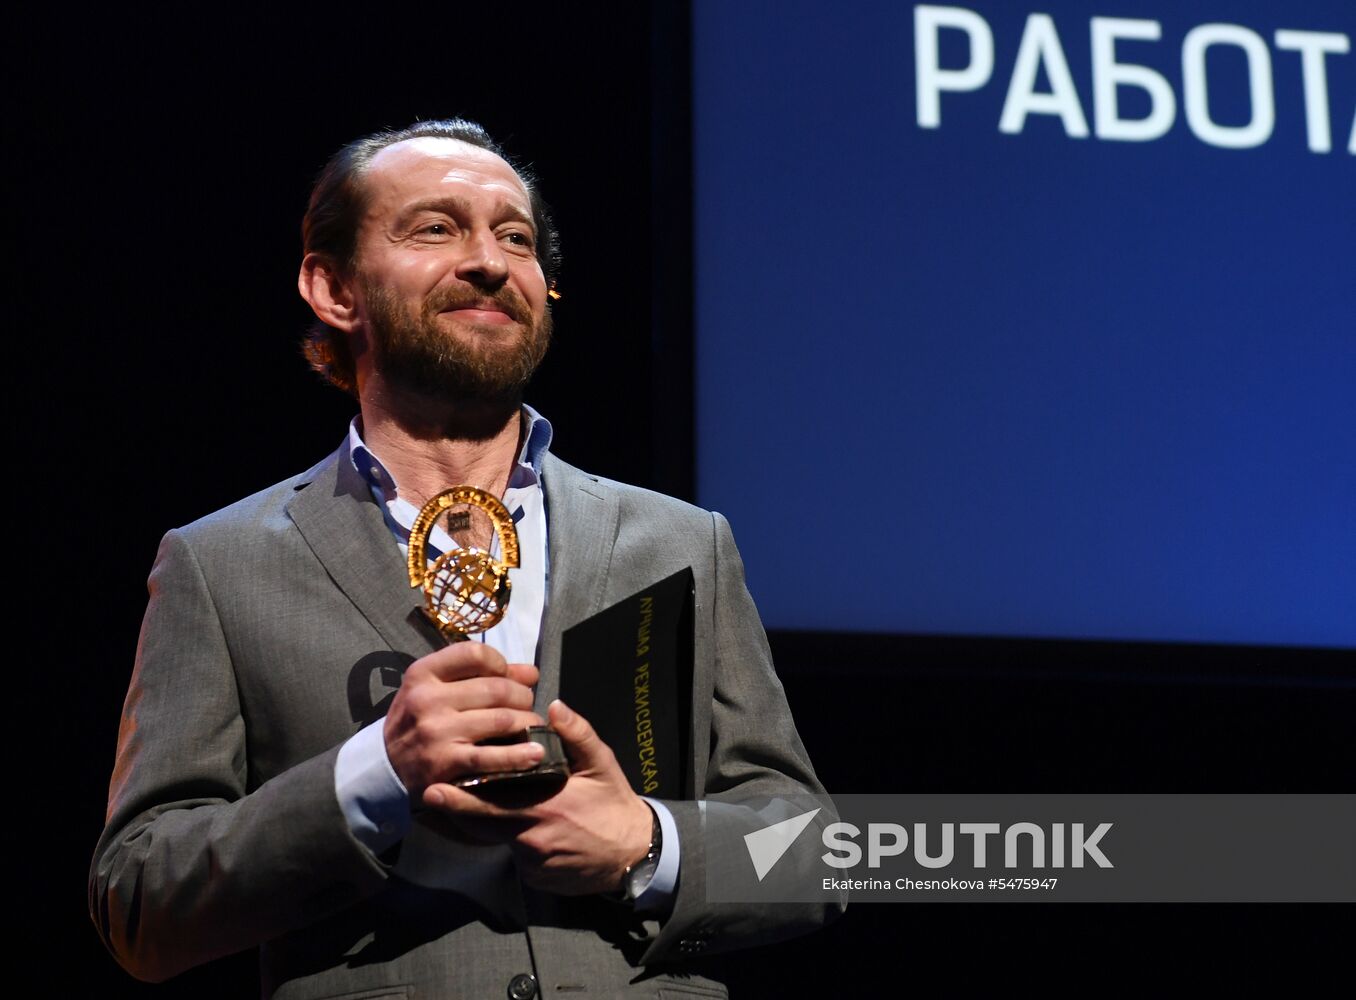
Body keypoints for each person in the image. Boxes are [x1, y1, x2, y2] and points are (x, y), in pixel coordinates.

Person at [90, 119, 838, 999]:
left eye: (515, 237)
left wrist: (646, 843)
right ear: (333, 288)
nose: (489, 261)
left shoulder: (679, 544)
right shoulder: (219, 566)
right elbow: (138, 900)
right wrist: (377, 773)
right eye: (435, 228)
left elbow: (816, 855)